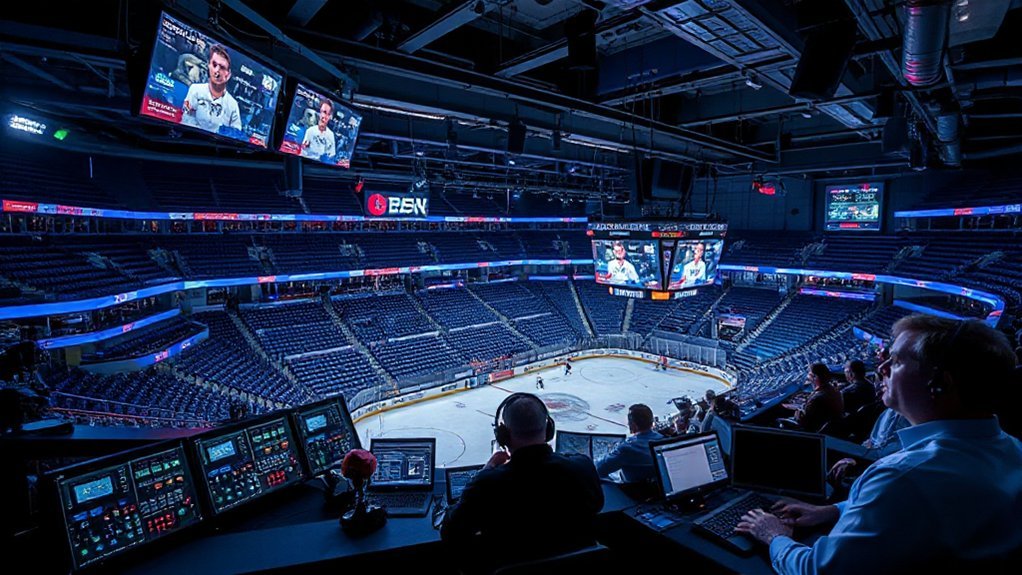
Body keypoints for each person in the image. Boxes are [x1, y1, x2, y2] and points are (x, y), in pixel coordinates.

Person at [736, 316, 1022, 573]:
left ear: (940, 384)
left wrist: (774, 536)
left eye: (896, 361)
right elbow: (911, 511)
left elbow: (818, 571)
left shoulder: (903, 477)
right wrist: (835, 510)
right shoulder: (1012, 448)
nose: (880, 367)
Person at [441, 393, 604, 574]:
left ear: (502, 435)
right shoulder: (582, 467)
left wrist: (485, 471)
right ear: (549, 428)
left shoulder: (487, 484)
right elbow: (597, 504)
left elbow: (451, 532)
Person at [180, 44, 242, 135]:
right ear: (209, 66)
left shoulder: (233, 105)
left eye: (222, 67)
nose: (217, 70)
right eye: (214, 64)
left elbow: (236, 133)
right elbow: (186, 118)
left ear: (228, 75)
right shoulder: (195, 90)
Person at [594, 404, 664, 483]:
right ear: (651, 421)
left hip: (632, 492)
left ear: (633, 425)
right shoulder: (662, 440)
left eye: (629, 422)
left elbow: (599, 469)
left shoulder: (628, 448)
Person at [791, 363, 844, 432]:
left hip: (813, 431)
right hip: (830, 427)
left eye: (810, 375)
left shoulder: (817, 398)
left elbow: (803, 421)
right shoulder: (835, 391)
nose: (808, 378)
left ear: (816, 377)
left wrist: (798, 409)